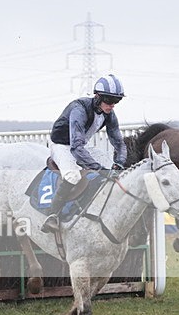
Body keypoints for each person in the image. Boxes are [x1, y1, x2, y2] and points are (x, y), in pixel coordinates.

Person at [41, 74, 127, 233]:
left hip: (80, 145)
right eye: (109, 100)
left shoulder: (109, 114)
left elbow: (119, 143)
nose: (112, 105)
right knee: (73, 176)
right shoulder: (79, 109)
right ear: (98, 97)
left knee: (113, 170)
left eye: (116, 101)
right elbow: (76, 148)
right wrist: (98, 168)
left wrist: (119, 163)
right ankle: (52, 215)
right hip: (61, 145)